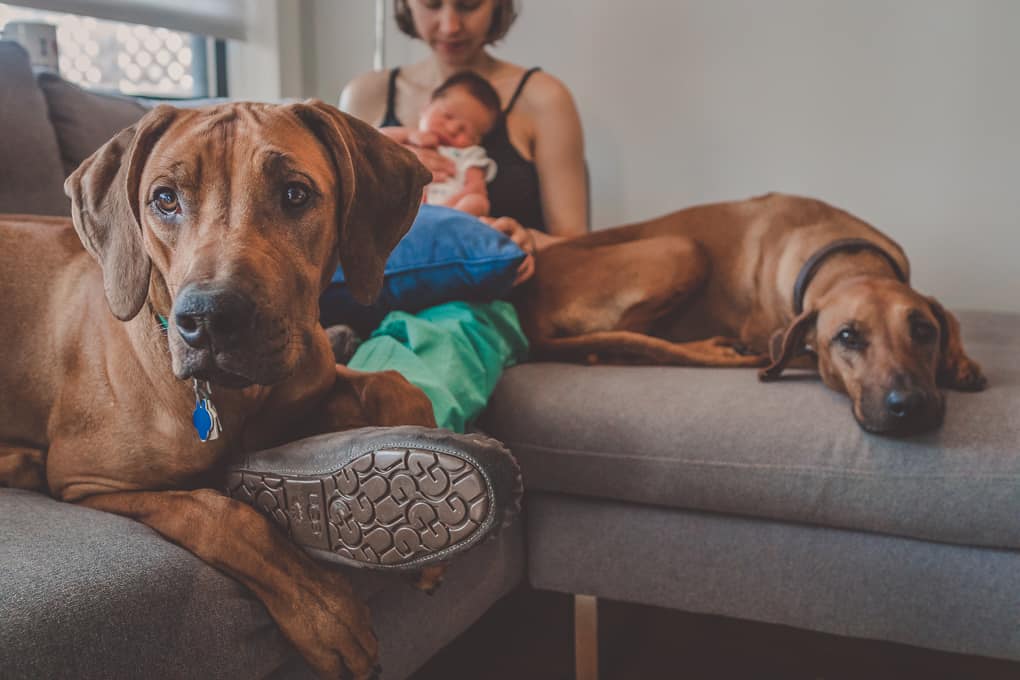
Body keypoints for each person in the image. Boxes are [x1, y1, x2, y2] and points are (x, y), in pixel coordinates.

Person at [340, 0, 589, 284]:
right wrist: (379, 159)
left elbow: (576, 246)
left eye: (469, 5)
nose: (450, 26)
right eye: (431, 4)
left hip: (503, 296)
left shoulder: (543, 99)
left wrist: (526, 238)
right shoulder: (367, 95)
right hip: (390, 290)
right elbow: (342, 231)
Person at [386, 71, 502, 217]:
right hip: (401, 210)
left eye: (465, 130)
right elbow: (373, 142)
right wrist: (407, 135)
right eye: (447, 115)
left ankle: (440, 221)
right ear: (426, 107)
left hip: (449, 209)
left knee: (478, 201)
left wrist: (447, 209)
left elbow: (475, 187)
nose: (452, 129)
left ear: (476, 141)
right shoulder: (407, 137)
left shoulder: (469, 154)